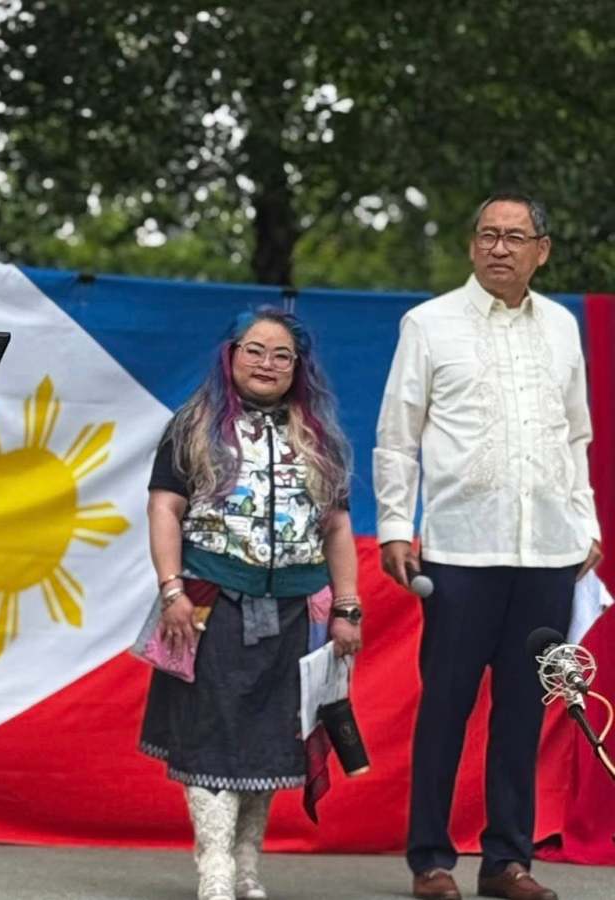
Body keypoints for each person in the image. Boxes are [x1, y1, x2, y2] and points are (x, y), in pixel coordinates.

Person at [375, 192, 602, 900]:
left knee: (522, 709)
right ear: (472, 245)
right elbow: (396, 434)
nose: (500, 248)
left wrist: (586, 523)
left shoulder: (563, 328)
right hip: (459, 553)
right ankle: (431, 861)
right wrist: (390, 526)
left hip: (547, 552)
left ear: (544, 249)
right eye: (487, 235)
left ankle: (507, 860)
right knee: (445, 704)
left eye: (515, 237)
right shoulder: (429, 324)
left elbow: (576, 436)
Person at [140, 308, 362, 900]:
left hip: (295, 611)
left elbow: (337, 527)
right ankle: (213, 869)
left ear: (298, 366)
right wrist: (172, 591)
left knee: (270, 744)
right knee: (213, 738)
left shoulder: (320, 436)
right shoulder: (193, 424)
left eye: (281, 354)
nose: (267, 363)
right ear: (231, 355)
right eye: (254, 350)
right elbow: (164, 509)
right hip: (210, 606)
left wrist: (348, 607)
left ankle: (246, 867)